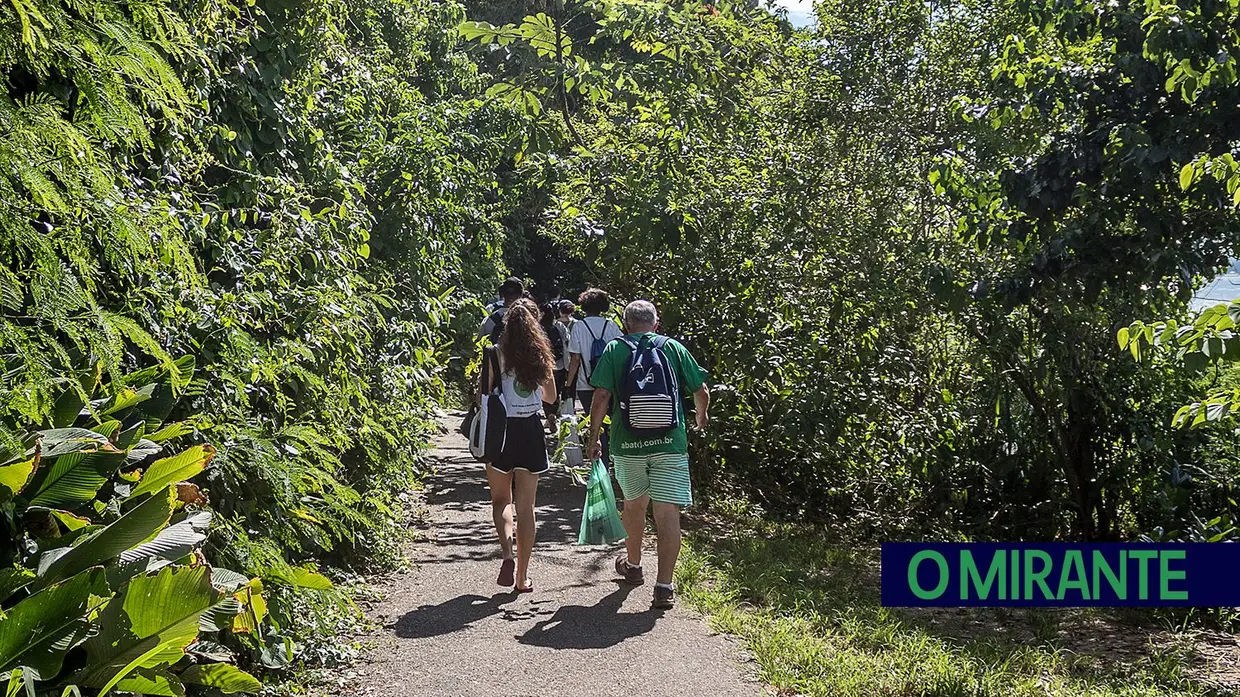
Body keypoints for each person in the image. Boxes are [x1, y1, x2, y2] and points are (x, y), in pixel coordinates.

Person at [585, 300, 709, 610]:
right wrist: (700, 418)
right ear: (656, 324)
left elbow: (601, 396)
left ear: (625, 325)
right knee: (667, 515)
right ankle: (664, 587)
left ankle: (634, 565)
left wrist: (593, 437)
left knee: (633, 506)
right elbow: (701, 390)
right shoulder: (673, 348)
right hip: (670, 445)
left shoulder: (615, 349)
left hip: (627, 446)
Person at [479, 298, 557, 593]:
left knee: (501, 501)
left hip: (501, 431)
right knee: (528, 506)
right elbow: (549, 397)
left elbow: (484, 395)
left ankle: (507, 554)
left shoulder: (494, 354)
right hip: (530, 430)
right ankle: (523, 577)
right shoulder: (541, 356)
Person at [566, 288, 622, 463]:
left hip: (586, 383)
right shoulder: (612, 326)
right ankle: (619, 460)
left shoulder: (578, 327)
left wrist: (568, 384)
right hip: (612, 383)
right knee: (616, 421)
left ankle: (601, 462)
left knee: (597, 424)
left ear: (584, 306)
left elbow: (575, 359)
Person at [478, 277, 524, 343]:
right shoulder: (527, 319)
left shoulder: (491, 319)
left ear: (502, 294)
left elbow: (479, 344)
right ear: (520, 295)